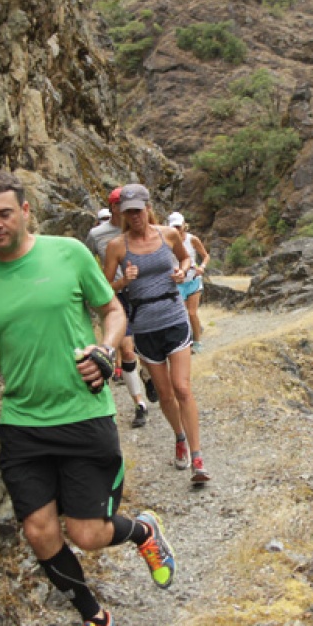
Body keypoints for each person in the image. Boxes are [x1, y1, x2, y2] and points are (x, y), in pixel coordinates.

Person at [0, 171, 176, 626]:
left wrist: (104, 347)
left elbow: (112, 310)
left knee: (89, 533)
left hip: (84, 415)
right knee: (39, 531)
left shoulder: (69, 254)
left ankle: (141, 530)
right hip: (22, 425)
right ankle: (95, 619)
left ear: (25, 210)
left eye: (4, 213)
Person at [102, 185, 211, 483]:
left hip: (173, 315)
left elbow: (185, 258)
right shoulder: (117, 247)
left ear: (148, 208)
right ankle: (178, 437)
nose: (135, 217)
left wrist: (182, 272)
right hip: (144, 323)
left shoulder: (168, 234)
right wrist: (124, 281)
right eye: (128, 212)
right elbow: (103, 288)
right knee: (164, 393)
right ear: (121, 214)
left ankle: (197, 457)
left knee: (182, 388)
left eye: (138, 210)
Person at [85, 188, 153, 428]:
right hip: (116, 295)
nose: (126, 211)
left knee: (143, 346)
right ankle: (139, 404)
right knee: (125, 348)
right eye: (120, 206)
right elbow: (86, 262)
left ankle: (147, 376)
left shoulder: (138, 228)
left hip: (143, 292)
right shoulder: (97, 235)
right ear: (113, 207)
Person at [167, 211, 210, 354]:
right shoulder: (166, 241)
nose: (176, 230)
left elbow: (205, 256)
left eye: (178, 226)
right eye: (174, 227)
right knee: (182, 315)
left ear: (184, 225)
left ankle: (197, 342)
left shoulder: (192, 240)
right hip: (177, 283)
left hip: (193, 280)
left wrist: (202, 267)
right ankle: (188, 339)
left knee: (192, 313)